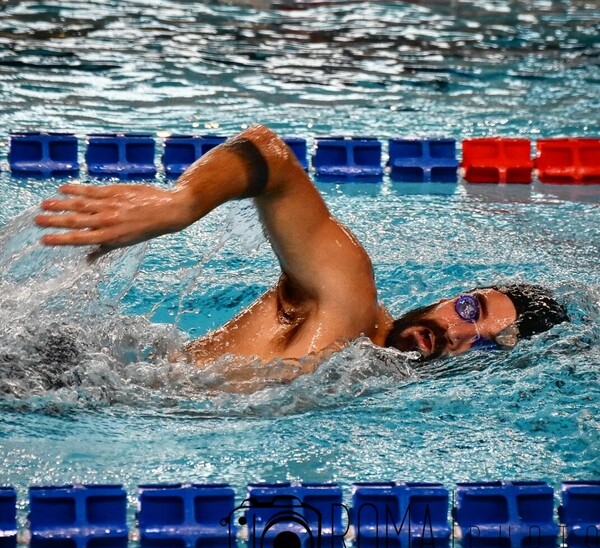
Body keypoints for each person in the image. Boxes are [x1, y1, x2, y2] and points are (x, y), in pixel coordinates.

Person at [33, 124, 569, 371]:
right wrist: (182, 203)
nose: (455, 331)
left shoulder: (370, 378)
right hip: (61, 377)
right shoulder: (349, 301)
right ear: (455, 295)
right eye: (470, 309)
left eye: (484, 343)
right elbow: (272, 159)